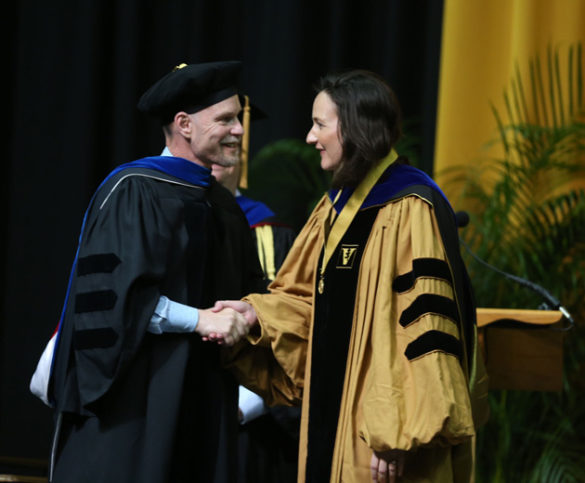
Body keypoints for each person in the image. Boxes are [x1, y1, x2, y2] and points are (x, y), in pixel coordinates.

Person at [218, 70, 489, 482]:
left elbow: (423, 327)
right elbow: (303, 296)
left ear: (355, 129)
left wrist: (397, 430)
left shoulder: (411, 206)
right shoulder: (335, 207)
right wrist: (256, 313)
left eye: (319, 124)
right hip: (333, 415)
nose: (309, 137)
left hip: (382, 431)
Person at [43, 61, 269, 483]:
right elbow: (117, 300)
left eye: (237, 117)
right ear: (183, 124)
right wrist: (201, 318)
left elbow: (251, 293)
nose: (239, 129)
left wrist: (254, 311)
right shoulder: (134, 190)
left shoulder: (224, 208)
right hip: (132, 409)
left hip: (202, 410)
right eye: (226, 119)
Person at [211, 123, 301, 483]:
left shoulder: (268, 233)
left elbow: (288, 323)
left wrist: (244, 404)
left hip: (248, 419)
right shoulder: (158, 220)